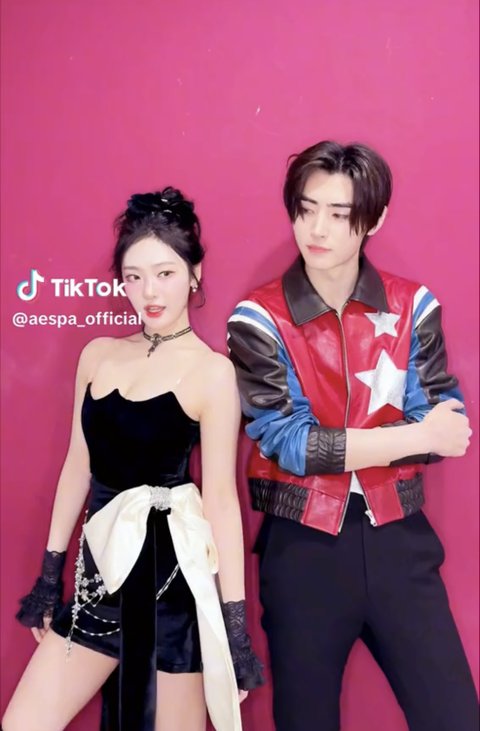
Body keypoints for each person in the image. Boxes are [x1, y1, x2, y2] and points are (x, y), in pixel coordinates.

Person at [227, 141, 479, 731]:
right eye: (306, 209)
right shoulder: (258, 317)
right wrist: (410, 436)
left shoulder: (413, 305)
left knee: (455, 717)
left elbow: (450, 430)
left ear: (375, 219)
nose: (317, 229)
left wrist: (415, 434)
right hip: (304, 548)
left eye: (339, 214)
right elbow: (290, 445)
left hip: (400, 541)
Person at [3, 188, 263, 731]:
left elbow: (221, 501)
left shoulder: (213, 372)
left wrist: (235, 630)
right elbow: (78, 467)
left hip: (172, 593)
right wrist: (50, 575)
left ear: (194, 274)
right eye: (134, 276)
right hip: (99, 585)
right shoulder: (97, 355)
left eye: (165, 274)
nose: (149, 292)